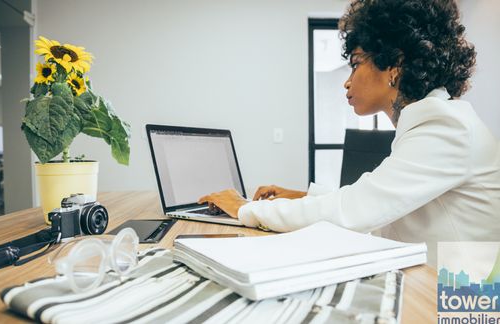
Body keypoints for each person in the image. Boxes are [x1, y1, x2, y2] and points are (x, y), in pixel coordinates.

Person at [198, 0, 500, 266]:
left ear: (394, 63)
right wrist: (302, 197)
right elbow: (380, 206)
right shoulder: (437, 120)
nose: (347, 82)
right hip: (443, 282)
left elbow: (355, 212)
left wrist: (245, 208)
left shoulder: (446, 126)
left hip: (464, 300)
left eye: (355, 64)